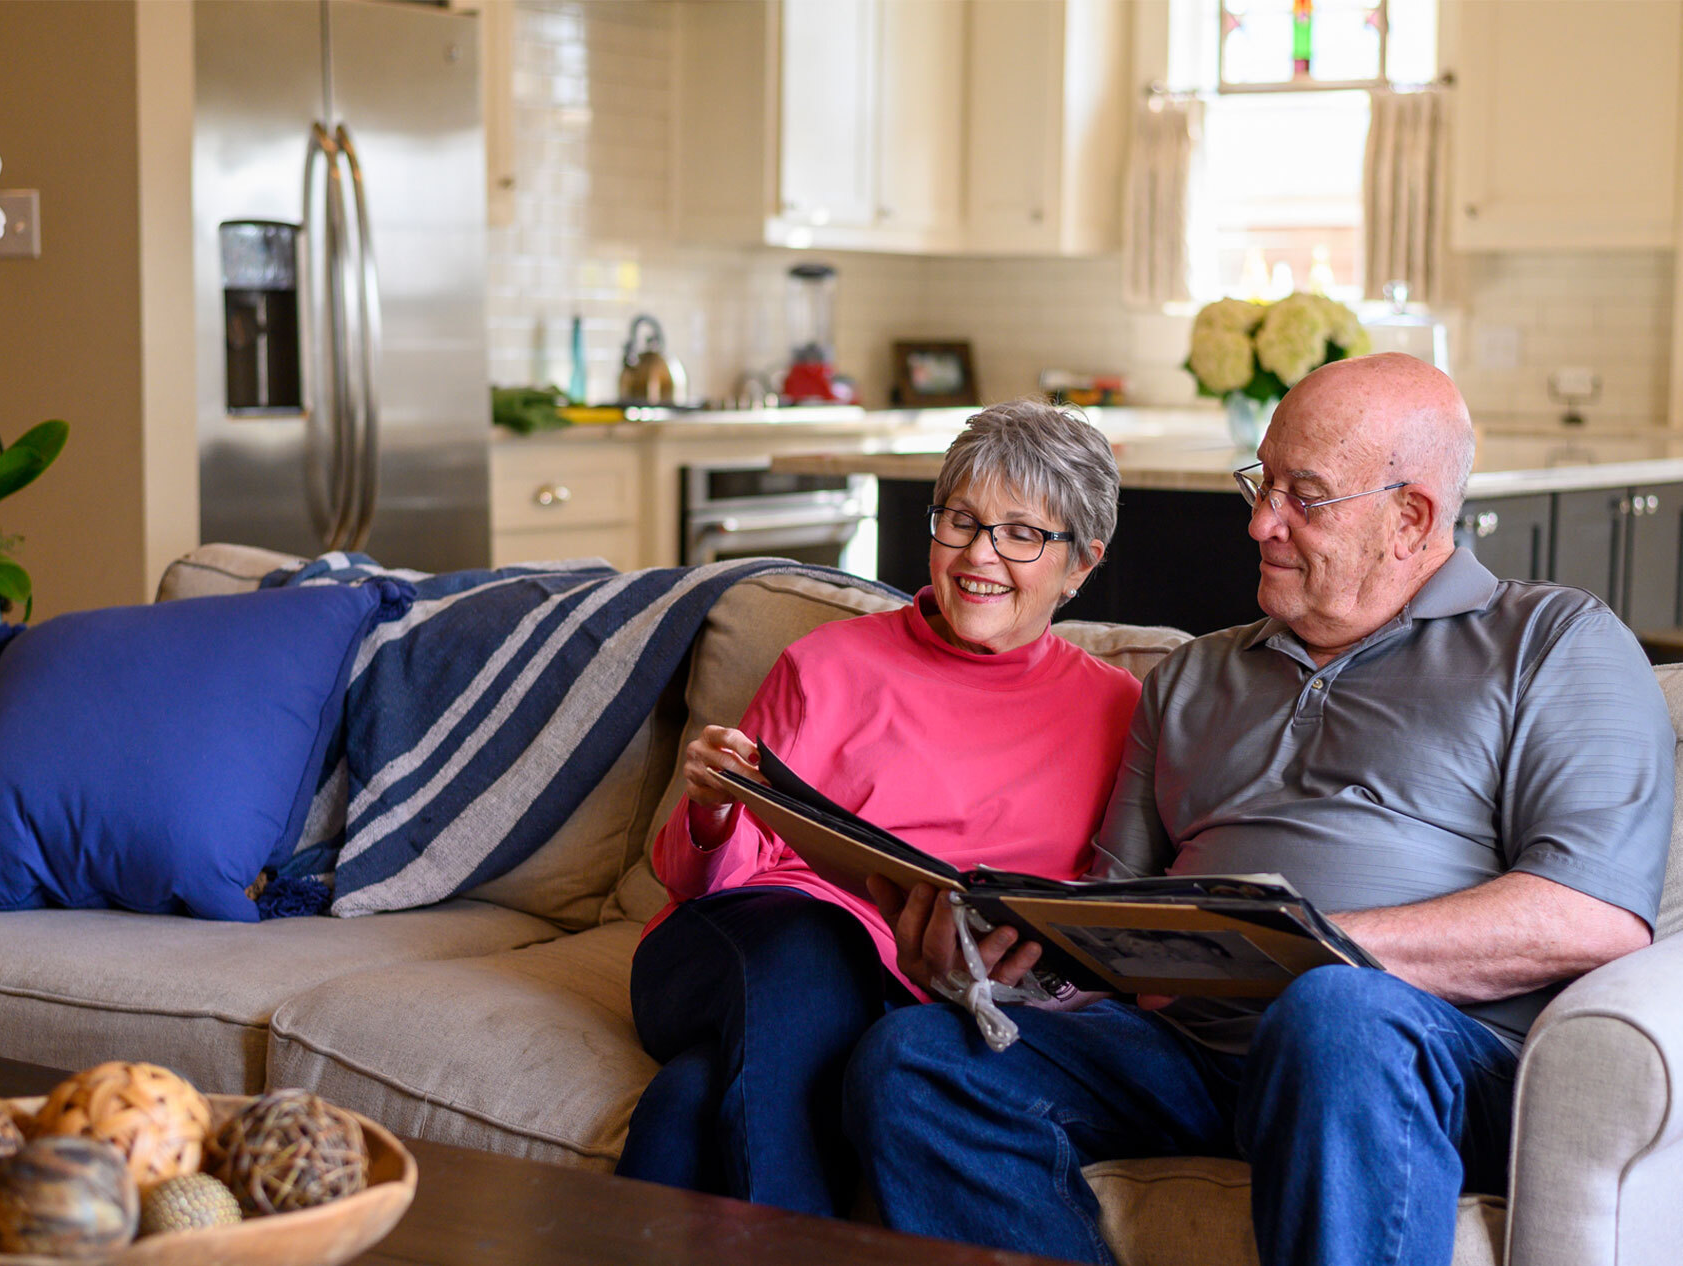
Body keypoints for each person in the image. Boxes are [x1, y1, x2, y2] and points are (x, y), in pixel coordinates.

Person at [844, 353, 1675, 1266]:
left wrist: (1304, 948)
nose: (1259, 524)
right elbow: (1102, 930)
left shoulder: (1553, 644)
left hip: (1419, 1054)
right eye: (1261, 484)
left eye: (1303, 498)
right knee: (916, 1059)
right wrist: (995, 967)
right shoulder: (1196, 674)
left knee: (1334, 1015)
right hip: (1192, 1052)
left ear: (1412, 518)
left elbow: (1592, 916)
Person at [613, 399, 1145, 1216]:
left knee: (686, 1104)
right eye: (960, 521)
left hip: (908, 998)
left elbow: (1097, 922)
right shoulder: (824, 664)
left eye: (1022, 534)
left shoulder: (1118, 711)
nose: (980, 555)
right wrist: (713, 811)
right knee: (810, 943)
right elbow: (695, 882)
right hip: (736, 954)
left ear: (1080, 564)